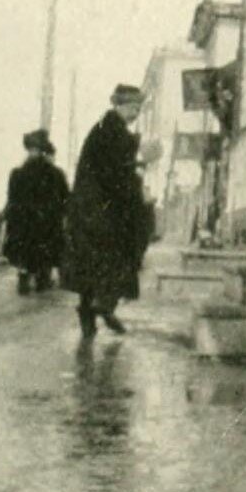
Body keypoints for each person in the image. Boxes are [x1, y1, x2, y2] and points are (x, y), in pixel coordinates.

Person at [64, 84, 151, 338]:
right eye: (133, 107)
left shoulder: (104, 127)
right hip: (106, 211)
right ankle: (104, 305)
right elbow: (117, 173)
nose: (136, 113)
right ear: (119, 105)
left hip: (90, 210)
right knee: (120, 256)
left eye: (138, 108)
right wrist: (140, 165)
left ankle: (89, 316)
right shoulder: (115, 131)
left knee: (91, 265)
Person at [3, 129, 70, 295]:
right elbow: (65, 200)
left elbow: (12, 200)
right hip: (46, 225)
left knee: (25, 253)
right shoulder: (56, 174)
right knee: (44, 253)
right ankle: (41, 279)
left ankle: (24, 277)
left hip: (24, 225)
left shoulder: (18, 174)